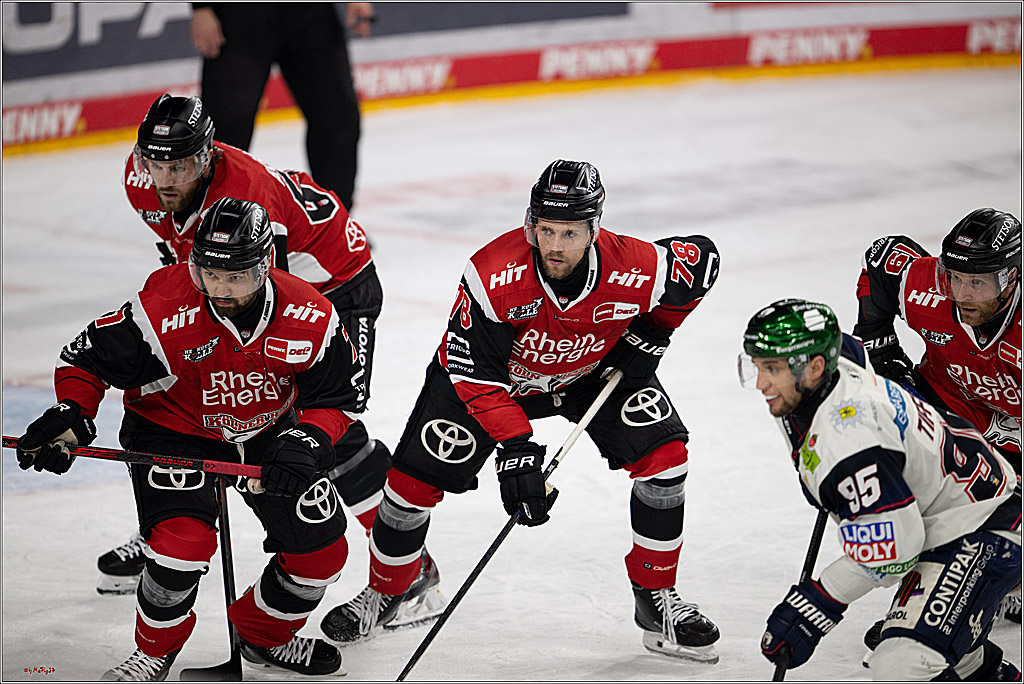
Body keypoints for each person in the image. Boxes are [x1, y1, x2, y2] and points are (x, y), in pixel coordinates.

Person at [318, 159, 723, 662]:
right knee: (409, 488)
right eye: (545, 229)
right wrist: (517, 449)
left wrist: (654, 333)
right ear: (530, 223)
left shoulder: (636, 265)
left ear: (594, 230)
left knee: (666, 460)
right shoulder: (493, 274)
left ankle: (655, 598)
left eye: (569, 233)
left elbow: (702, 262)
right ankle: (388, 593)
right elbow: (477, 380)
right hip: (490, 382)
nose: (554, 245)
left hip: (591, 373)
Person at [97, 93, 447, 617]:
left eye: (181, 165)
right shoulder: (142, 180)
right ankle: (172, 520)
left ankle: (410, 571)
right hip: (263, 282)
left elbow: (268, 299)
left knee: (320, 423)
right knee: (202, 400)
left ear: (208, 154)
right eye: (157, 164)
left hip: (335, 288)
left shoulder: (248, 197)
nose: (166, 178)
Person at [16, 198, 362, 680]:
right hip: (173, 430)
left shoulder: (311, 315)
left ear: (265, 265)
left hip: (270, 432)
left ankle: (264, 637)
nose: (219, 289)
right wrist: (72, 411)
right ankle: (154, 651)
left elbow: (339, 397)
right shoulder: (161, 308)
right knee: (179, 548)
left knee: (321, 555)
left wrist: (308, 439)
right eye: (208, 274)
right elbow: (85, 359)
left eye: (234, 277)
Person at [739, 298, 1021, 681]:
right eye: (756, 366)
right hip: (960, 503)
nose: (761, 384)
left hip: (985, 528)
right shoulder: (837, 363)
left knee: (902, 666)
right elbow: (851, 345)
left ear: (816, 367)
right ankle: (973, 664)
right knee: (943, 647)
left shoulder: (848, 440)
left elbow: (893, 552)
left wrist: (816, 604)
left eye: (772, 369)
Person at [853, 208, 1022, 626]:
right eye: (954, 278)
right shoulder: (928, 289)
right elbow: (881, 259)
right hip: (946, 406)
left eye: (978, 283)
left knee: (1003, 513)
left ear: (1012, 278)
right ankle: (922, 608)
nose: (961, 294)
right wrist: (881, 347)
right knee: (921, 492)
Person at [189, 2, 372, 210]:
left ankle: (335, 221)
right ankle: (211, 219)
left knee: (338, 119)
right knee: (225, 132)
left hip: (311, 13)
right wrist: (201, 8)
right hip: (240, 14)